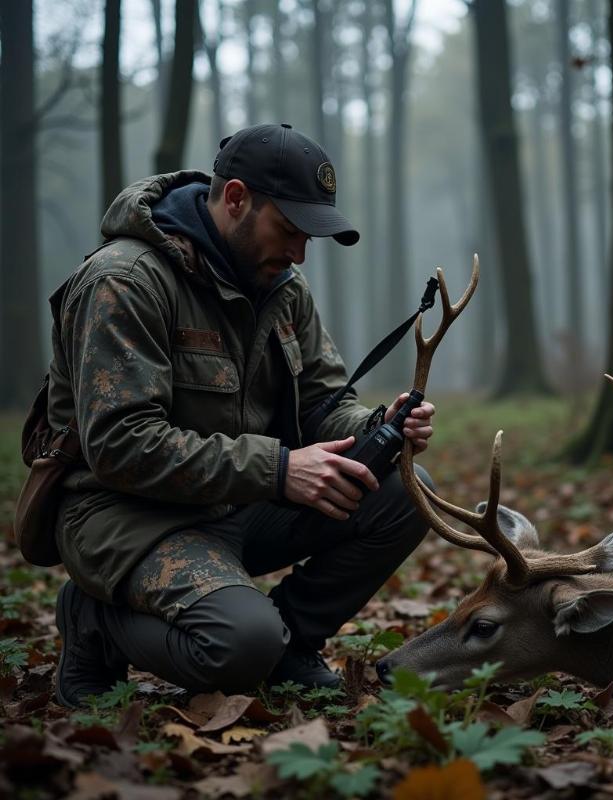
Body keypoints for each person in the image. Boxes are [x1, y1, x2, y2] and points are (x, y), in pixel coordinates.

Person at [49, 123, 435, 708]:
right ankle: (93, 622)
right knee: (238, 648)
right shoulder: (125, 282)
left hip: (234, 502)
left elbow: (321, 401)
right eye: (289, 229)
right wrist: (280, 469)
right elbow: (120, 445)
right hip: (126, 515)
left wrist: (378, 429)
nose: (300, 253)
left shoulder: (281, 285)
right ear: (235, 199)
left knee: (406, 489)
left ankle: (292, 646)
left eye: (310, 236)